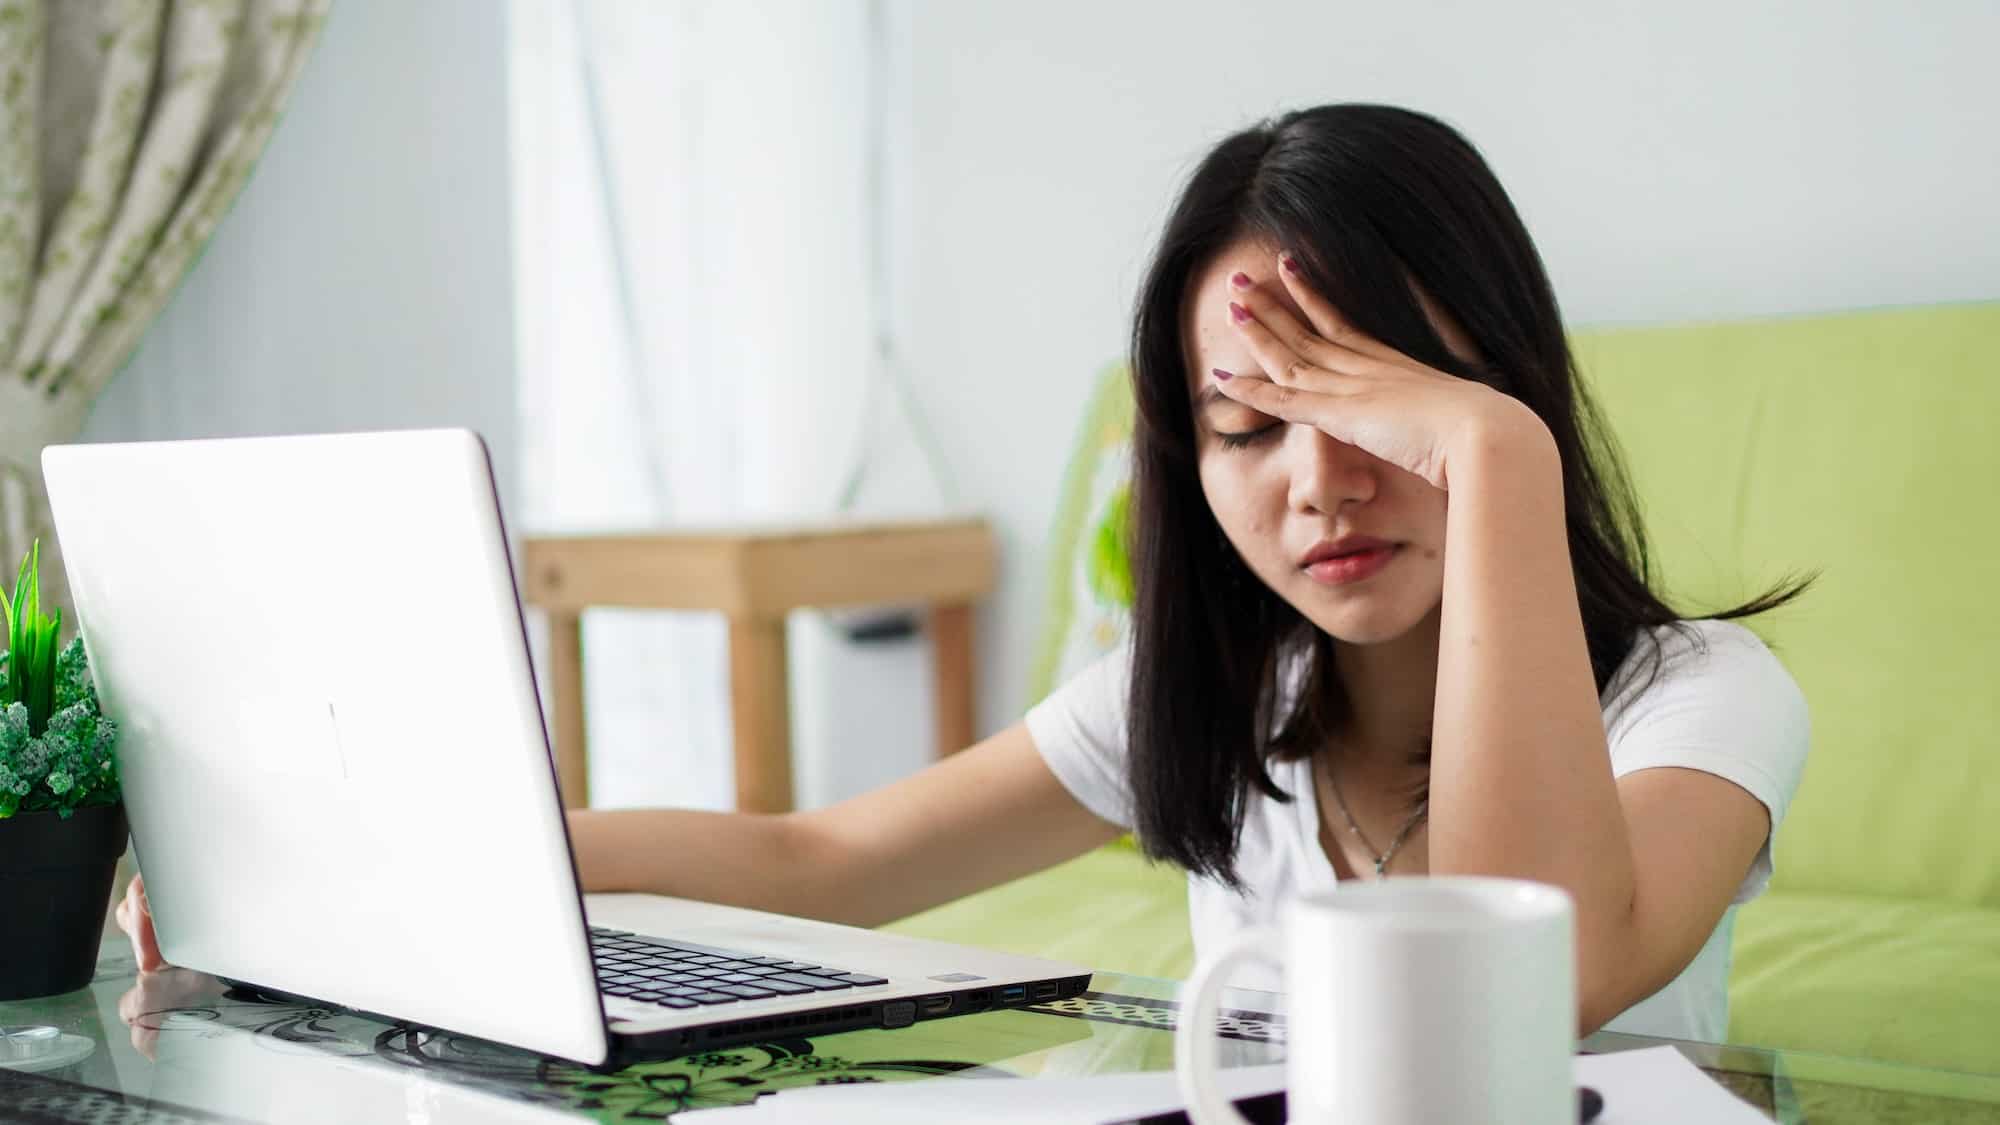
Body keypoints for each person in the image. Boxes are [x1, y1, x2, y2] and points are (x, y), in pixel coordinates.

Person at [117, 103, 1810, 1042]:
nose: (1319, 485)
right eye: (1245, 428)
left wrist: (1499, 456)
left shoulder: (1699, 702)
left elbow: (1542, 973)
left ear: (1491, 385)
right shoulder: (1217, 702)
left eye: (1382, 407)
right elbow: (819, 854)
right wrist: (369, 862)